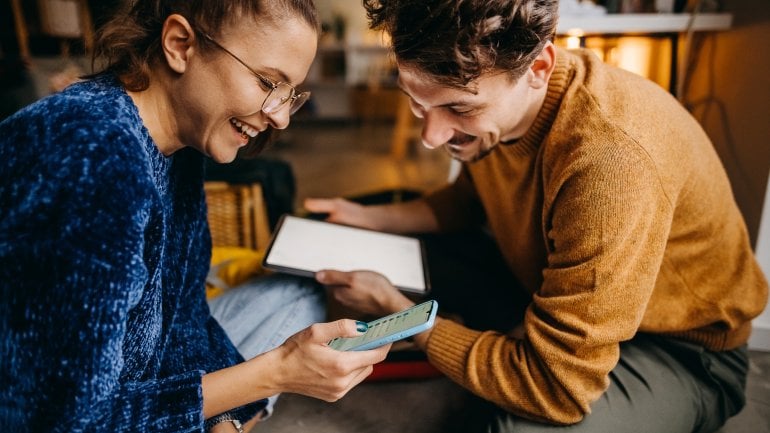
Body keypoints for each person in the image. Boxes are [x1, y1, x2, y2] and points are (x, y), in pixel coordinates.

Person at [304, 0, 769, 432]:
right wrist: (364, 217)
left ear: (539, 67)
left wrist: (399, 316)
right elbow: (468, 203)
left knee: (513, 422)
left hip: (682, 351)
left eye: (458, 108)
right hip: (541, 288)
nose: (432, 134)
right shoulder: (498, 114)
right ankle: (499, 340)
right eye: (416, 99)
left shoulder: (610, 162)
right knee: (389, 239)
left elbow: (558, 390)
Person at [0, 1, 390, 432]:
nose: (279, 116)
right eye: (267, 82)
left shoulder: (179, 145)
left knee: (304, 295)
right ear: (180, 45)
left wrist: (225, 417)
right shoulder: (92, 159)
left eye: (289, 95)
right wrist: (275, 371)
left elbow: (182, 311)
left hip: (139, 378)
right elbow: (68, 420)